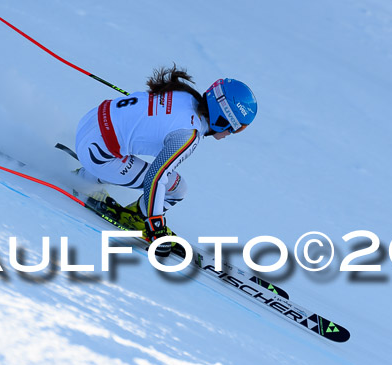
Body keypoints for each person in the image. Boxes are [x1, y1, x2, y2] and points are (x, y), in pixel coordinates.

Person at [73, 65, 257, 256]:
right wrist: (156, 226)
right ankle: (139, 217)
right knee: (178, 189)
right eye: (237, 127)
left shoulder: (186, 96)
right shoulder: (189, 134)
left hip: (90, 122)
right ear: (223, 118)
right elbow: (156, 176)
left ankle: (85, 178)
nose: (232, 134)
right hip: (98, 152)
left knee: (130, 155)